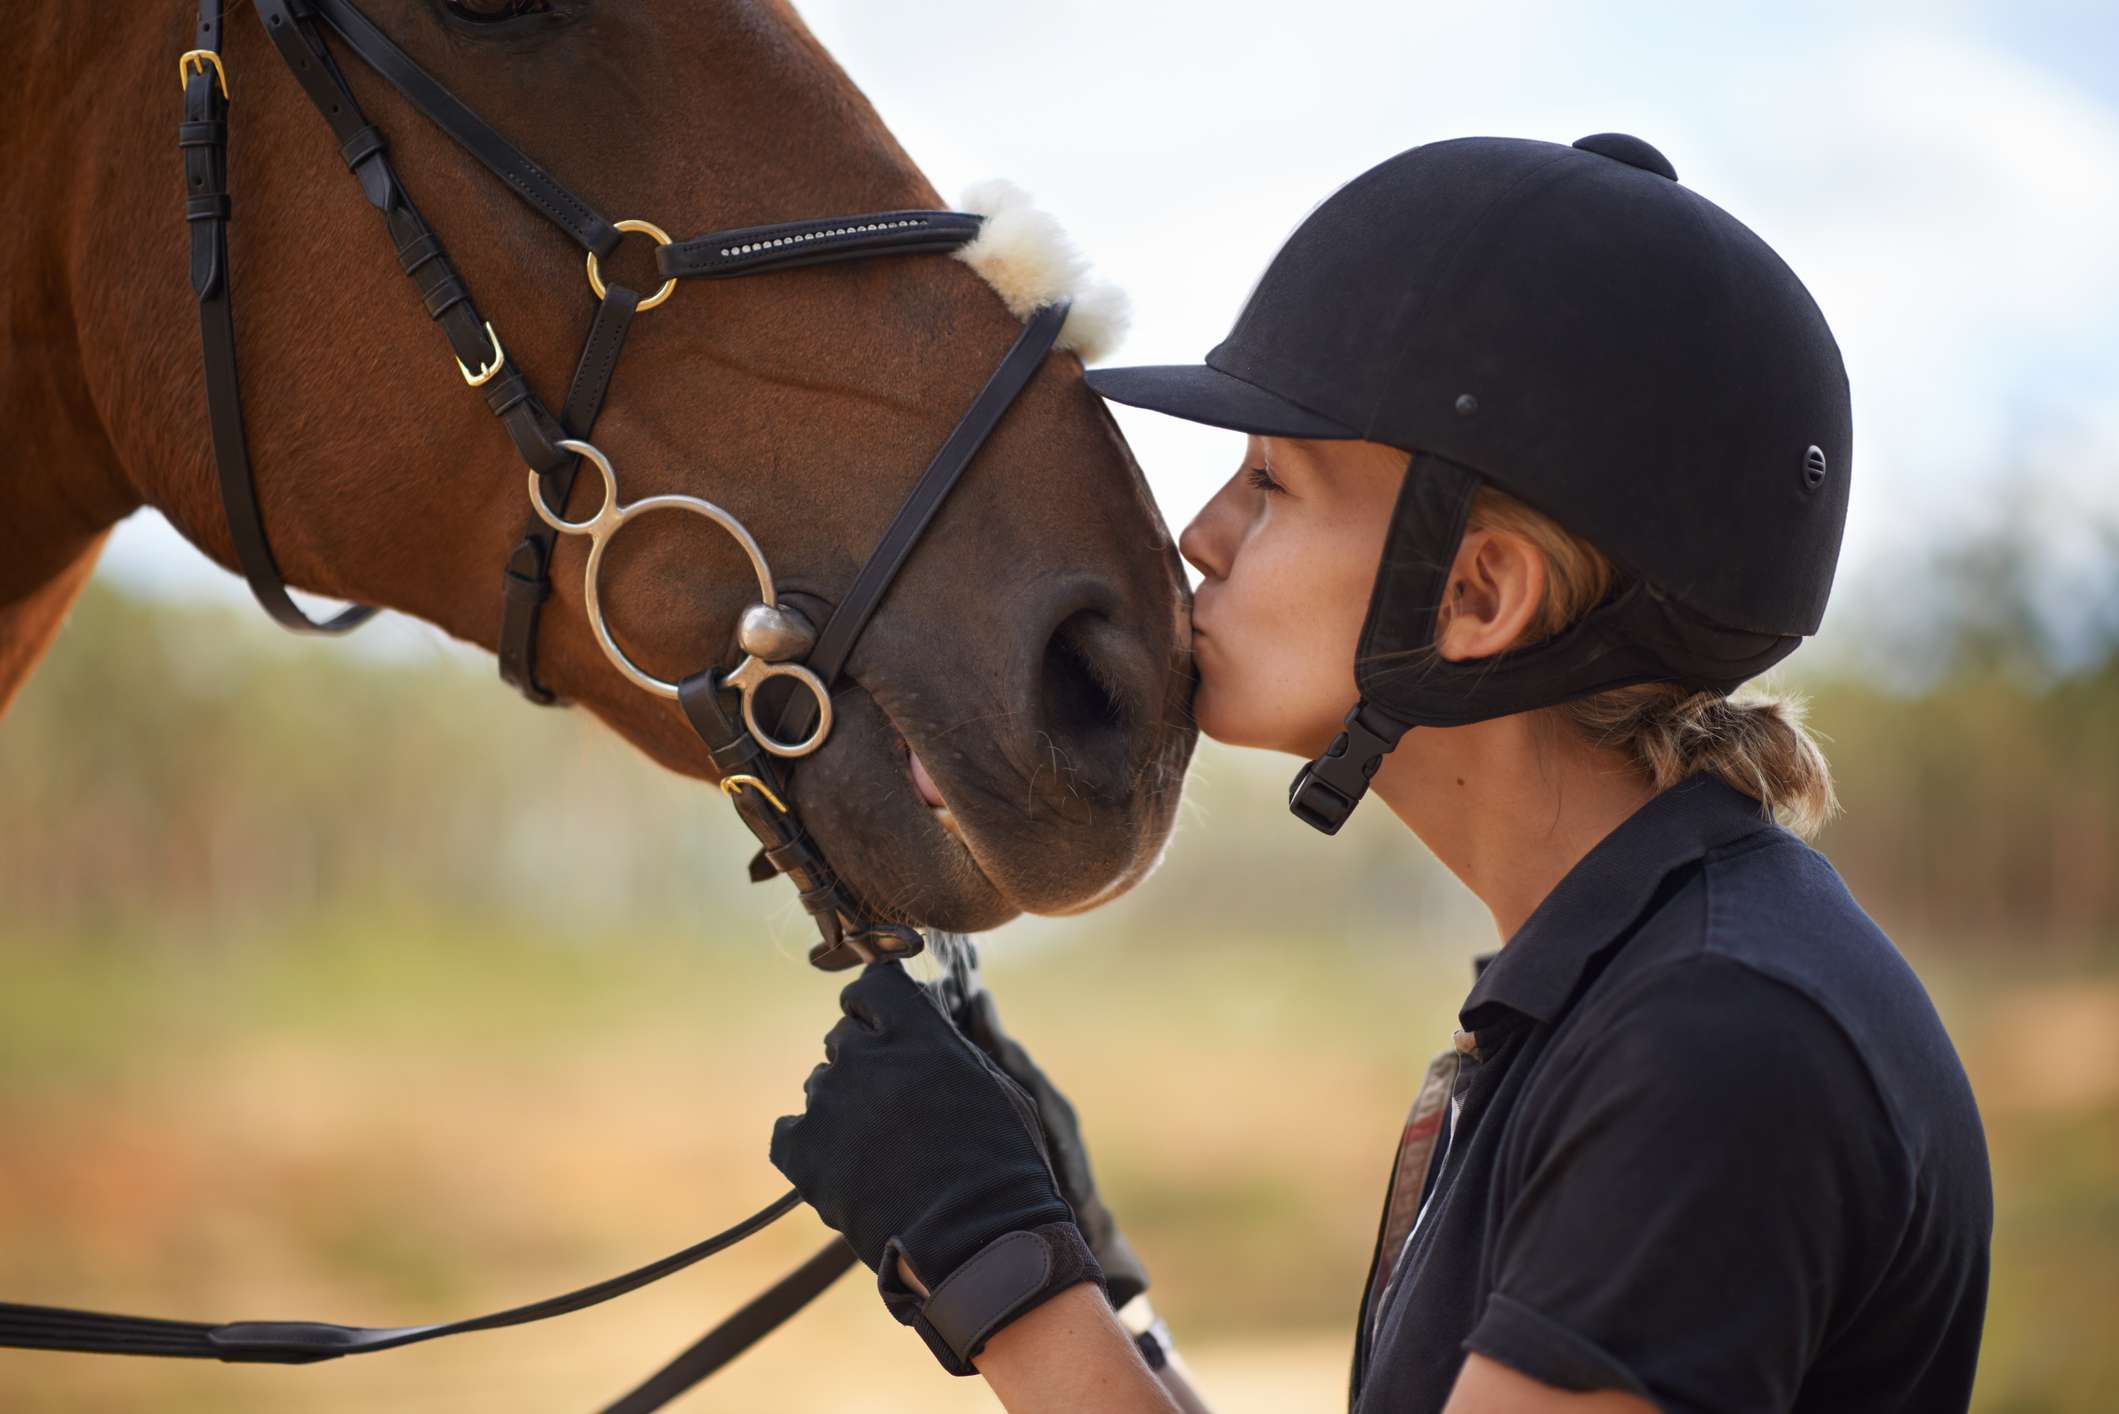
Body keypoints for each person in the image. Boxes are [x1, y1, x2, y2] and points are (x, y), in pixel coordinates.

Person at [768, 133, 1993, 1412]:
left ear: (1475, 596)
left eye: (1271, 482)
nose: (1201, 535)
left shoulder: (1715, 1043)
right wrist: (1090, 1269)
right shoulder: (1630, 992)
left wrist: (1008, 1285)